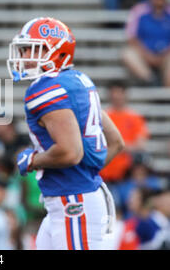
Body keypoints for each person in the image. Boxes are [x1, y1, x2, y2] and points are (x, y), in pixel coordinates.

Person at [8, 17, 125, 250]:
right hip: (72, 200)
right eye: (24, 49)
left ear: (59, 53)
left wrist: (33, 160)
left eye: (33, 49)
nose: (25, 56)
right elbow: (116, 142)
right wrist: (83, 175)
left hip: (74, 204)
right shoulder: (79, 81)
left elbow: (71, 152)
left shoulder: (45, 89)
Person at [100, 81, 149, 187]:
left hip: (127, 175)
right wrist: (123, 146)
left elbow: (140, 145)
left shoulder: (134, 117)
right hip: (104, 173)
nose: (116, 96)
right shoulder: (103, 116)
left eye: (119, 93)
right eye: (114, 93)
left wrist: (116, 145)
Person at [122, 0, 170, 87]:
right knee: (128, 53)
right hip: (144, 54)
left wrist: (165, 53)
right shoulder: (139, 11)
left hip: (166, 55)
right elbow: (131, 37)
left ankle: (167, 90)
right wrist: (147, 55)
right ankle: (150, 80)